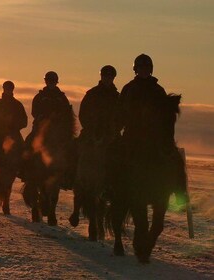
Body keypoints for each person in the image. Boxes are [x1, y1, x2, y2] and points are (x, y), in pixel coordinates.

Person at [117, 53, 187, 203]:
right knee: (116, 157)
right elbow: (120, 111)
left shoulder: (158, 90)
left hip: (154, 136)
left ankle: (180, 192)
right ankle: (112, 189)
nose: (144, 71)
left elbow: (165, 113)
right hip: (133, 134)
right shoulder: (129, 89)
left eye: (147, 68)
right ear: (136, 70)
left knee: (176, 159)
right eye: (141, 68)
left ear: (151, 70)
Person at [19, 71, 74, 182]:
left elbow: (68, 112)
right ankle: (24, 170)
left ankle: (68, 175)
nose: (51, 83)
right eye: (49, 81)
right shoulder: (39, 97)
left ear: (56, 82)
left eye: (53, 81)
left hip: (58, 128)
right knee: (28, 143)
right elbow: (34, 112)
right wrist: (44, 117)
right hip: (41, 128)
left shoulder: (62, 98)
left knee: (71, 148)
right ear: (46, 81)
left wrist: (59, 119)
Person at [79, 65, 119, 142]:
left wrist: (114, 130)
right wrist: (90, 130)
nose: (108, 78)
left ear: (113, 78)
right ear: (101, 76)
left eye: (110, 76)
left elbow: (121, 115)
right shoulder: (91, 94)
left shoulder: (117, 97)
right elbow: (83, 113)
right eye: (105, 76)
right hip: (91, 135)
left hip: (112, 135)